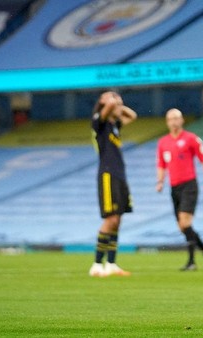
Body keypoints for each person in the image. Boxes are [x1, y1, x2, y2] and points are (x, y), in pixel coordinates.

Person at [156, 108, 203, 271]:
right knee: (182, 227)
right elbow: (161, 164)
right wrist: (160, 181)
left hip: (189, 185)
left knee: (185, 222)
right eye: (170, 119)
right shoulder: (163, 143)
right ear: (167, 122)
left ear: (182, 120)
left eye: (176, 118)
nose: (174, 121)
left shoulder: (191, 139)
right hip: (173, 187)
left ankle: (191, 262)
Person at [89, 91, 137, 277]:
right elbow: (108, 107)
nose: (117, 106)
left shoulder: (114, 125)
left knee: (118, 220)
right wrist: (112, 101)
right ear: (102, 102)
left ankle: (111, 263)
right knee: (110, 219)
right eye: (113, 102)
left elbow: (132, 116)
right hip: (107, 174)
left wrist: (119, 104)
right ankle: (96, 264)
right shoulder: (98, 122)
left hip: (120, 175)